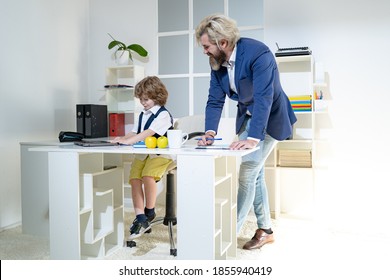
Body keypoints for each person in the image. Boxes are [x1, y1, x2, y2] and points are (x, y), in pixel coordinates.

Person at [195, 14, 297, 250]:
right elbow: (214, 99)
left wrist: (253, 138)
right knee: (256, 173)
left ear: (222, 42)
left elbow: (264, 97)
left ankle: (228, 235)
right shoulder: (217, 63)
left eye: (206, 46)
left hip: (270, 118)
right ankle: (266, 230)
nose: (204, 51)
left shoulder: (257, 53)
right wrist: (209, 131)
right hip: (248, 119)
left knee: (248, 172)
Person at [112, 76, 174, 237]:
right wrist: (122, 139)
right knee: (134, 179)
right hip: (144, 153)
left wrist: (129, 141)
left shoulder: (163, 115)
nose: (143, 102)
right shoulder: (143, 114)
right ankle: (140, 218)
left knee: (147, 176)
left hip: (160, 154)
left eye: (146, 99)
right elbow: (135, 131)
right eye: (141, 99)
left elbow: (148, 133)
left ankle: (150, 211)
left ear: (157, 96)